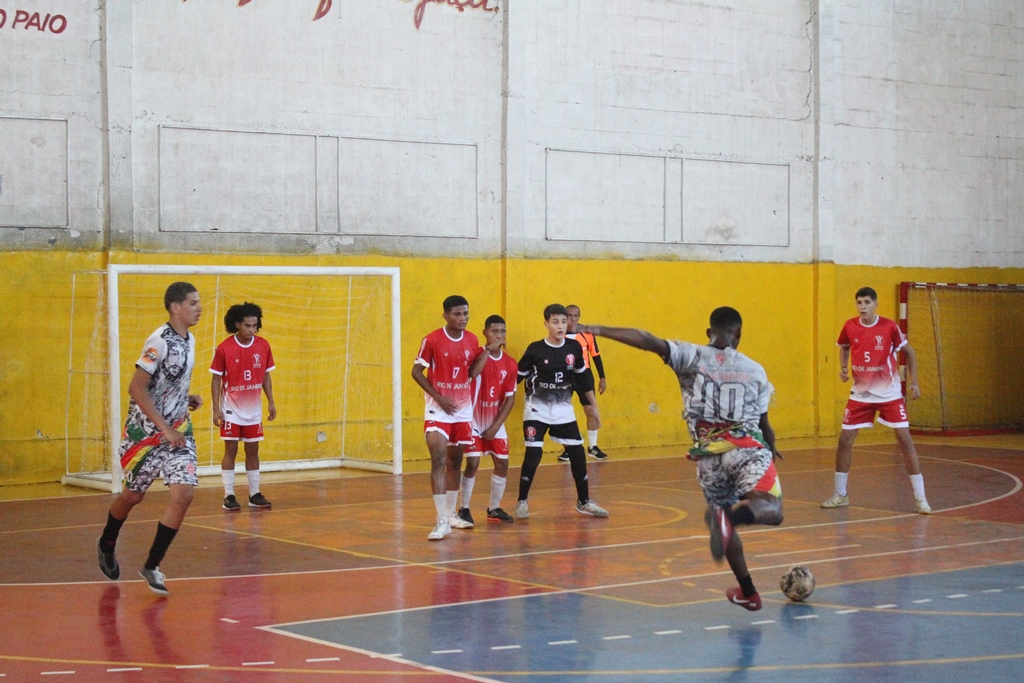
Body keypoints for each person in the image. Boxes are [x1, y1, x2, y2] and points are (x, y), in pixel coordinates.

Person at [579, 307, 783, 611]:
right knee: (771, 508)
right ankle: (732, 521)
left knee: (720, 516)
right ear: (738, 334)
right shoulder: (755, 369)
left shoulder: (691, 355)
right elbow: (764, 422)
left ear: (708, 332)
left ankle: (748, 591)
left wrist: (598, 329)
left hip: (707, 458)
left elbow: (648, 340)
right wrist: (772, 446)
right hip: (746, 448)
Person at [96, 282, 204, 596]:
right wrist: (163, 428)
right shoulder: (159, 342)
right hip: (145, 434)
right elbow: (137, 388)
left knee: (184, 495)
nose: (199, 307)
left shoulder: (190, 339)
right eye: (193, 303)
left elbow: (169, 384)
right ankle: (107, 541)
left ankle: (152, 565)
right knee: (133, 496)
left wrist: (185, 400)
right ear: (175, 307)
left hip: (178, 432)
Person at [821, 287, 931, 514]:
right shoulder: (850, 326)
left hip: (889, 394)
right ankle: (840, 495)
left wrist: (914, 382)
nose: (863, 306)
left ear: (876, 304)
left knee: (905, 440)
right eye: (859, 302)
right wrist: (843, 367)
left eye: (867, 302)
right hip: (860, 395)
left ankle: (921, 499)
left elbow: (909, 352)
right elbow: (844, 346)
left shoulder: (889, 326)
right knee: (844, 441)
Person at [515, 304, 609, 520]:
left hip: (563, 410)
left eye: (563, 322)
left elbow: (583, 378)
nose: (560, 326)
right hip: (536, 409)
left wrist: (593, 406)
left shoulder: (573, 348)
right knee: (534, 454)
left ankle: (584, 501)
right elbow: (515, 378)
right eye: (555, 322)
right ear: (546, 323)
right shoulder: (535, 349)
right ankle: (522, 501)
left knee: (577, 452)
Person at [412, 295, 481, 541]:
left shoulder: (473, 340)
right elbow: (416, 371)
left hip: (462, 412)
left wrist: (490, 350)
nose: (462, 318)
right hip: (438, 410)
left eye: (465, 313)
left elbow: (472, 372)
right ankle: (440, 520)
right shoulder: (432, 339)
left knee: (455, 462)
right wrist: (438, 397)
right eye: (457, 314)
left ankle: (451, 514)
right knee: (438, 459)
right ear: (445, 315)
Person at [210, 302, 276, 511]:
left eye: (255, 326)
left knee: (253, 448)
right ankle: (229, 495)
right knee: (231, 449)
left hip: (253, 410)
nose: (252, 330)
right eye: (248, 326)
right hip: (231, 409)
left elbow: (266, 375)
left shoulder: (263, 345)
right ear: (237, 324)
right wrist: (216, 409)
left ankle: (254, 493)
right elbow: (216, 379)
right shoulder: (224, 348)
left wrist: (271, 401)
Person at [457, 315, 519, 525]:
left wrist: (495, 426)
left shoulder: (510, 364)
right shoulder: (476, 355)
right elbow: (472, 374)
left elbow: (510, 399)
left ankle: (494, 508)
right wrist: (488, 351)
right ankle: (464, 508)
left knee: (502, 462)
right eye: (494, 331)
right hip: (472, 420)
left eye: (502, 331)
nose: (499, 336)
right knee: (472, 463)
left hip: (494, 421)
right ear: (485, 333)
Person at [557, 304, 609, 461]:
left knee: (590, 410)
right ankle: (568, 448)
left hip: (584, 375)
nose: (572, 318)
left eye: (575, 315)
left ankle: (592, 447)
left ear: (579, 317)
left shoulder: (587, 333)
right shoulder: (559, 333)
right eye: (569, 315)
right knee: (561, 412)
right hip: (565, 376)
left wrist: (602, 377)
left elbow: (596, 355)